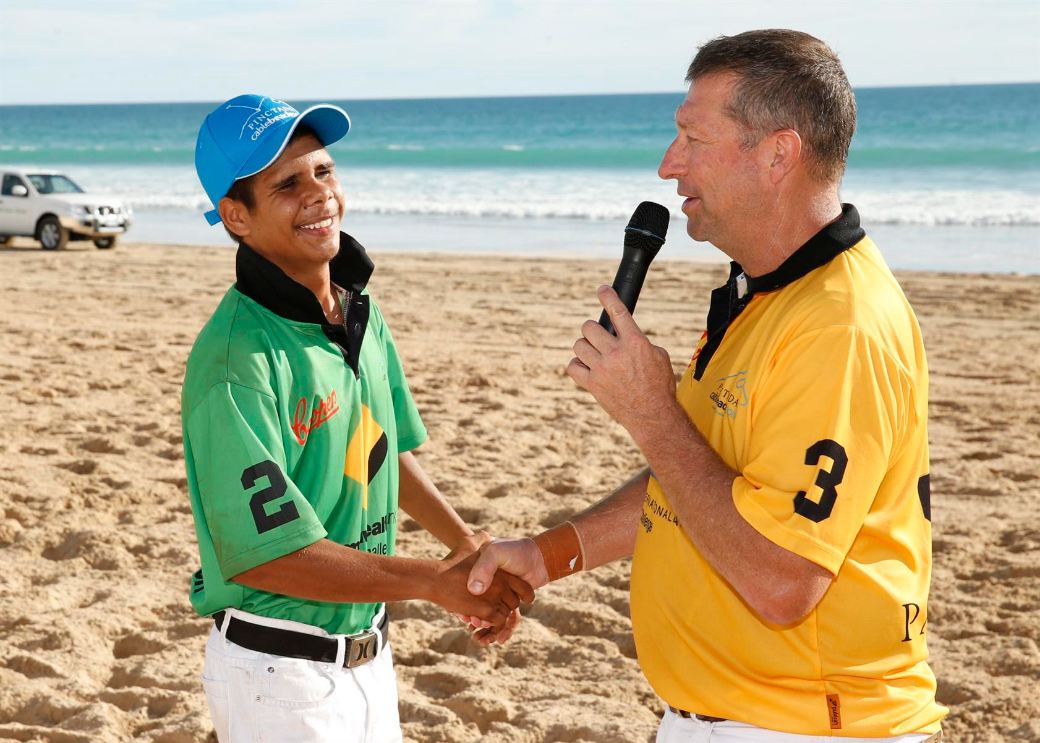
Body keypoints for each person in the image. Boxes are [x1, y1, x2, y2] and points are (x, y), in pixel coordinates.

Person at [467, 30, 946, 741]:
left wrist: (653, 412)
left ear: (779, 154)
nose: (668, 167)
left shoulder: (840, 326)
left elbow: (784, 581)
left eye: (692, 138)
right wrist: (547, 555)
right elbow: (703, 481)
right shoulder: (765, 294)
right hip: (721, 718)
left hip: (807, 726)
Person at [182, 94, 532, 743]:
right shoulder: (236, 360)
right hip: (279, 676)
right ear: (237, 216)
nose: (319, 194)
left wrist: (465, 548)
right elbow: (269, 559)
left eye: (323, 171)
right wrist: (434, 581)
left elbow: (380, 444)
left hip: (369, 654)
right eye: (287, 184)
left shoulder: (354, 311)